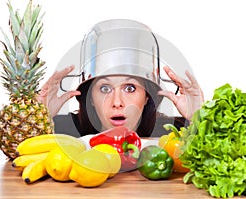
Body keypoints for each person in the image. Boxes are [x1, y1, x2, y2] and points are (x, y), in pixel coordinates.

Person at [37, 19, 204, 138]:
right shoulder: (60, 130)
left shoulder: (173, 132)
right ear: (91, 98)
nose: (117, 102)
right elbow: (17, 156)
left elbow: (221, 160)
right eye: (105, 88)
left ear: (146, 96)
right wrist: (39, 114)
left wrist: (199, 116)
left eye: (130, 88)